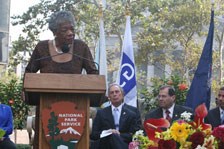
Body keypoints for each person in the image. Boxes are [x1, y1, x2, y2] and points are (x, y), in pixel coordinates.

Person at [24, 10, 98, 149]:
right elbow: (29, 72)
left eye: (72, 29)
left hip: (76, 112)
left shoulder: (81, 47)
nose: (70, 33)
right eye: (65, 30)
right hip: (47, 109)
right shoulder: (42, 48)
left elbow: (93, 72)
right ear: (55, 32)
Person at [90, 83, 142, 149]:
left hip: (123, 143)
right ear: (109, 97)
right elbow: (94, 135)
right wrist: (107, 132)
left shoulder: (131, 113)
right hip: (105, 144)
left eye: (117, 92)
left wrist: (118, 135)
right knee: (111, 136)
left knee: (114, 137)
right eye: (112, 93)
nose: (114, 94)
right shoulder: (101, 113)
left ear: (122, 95)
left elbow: (135, 134)